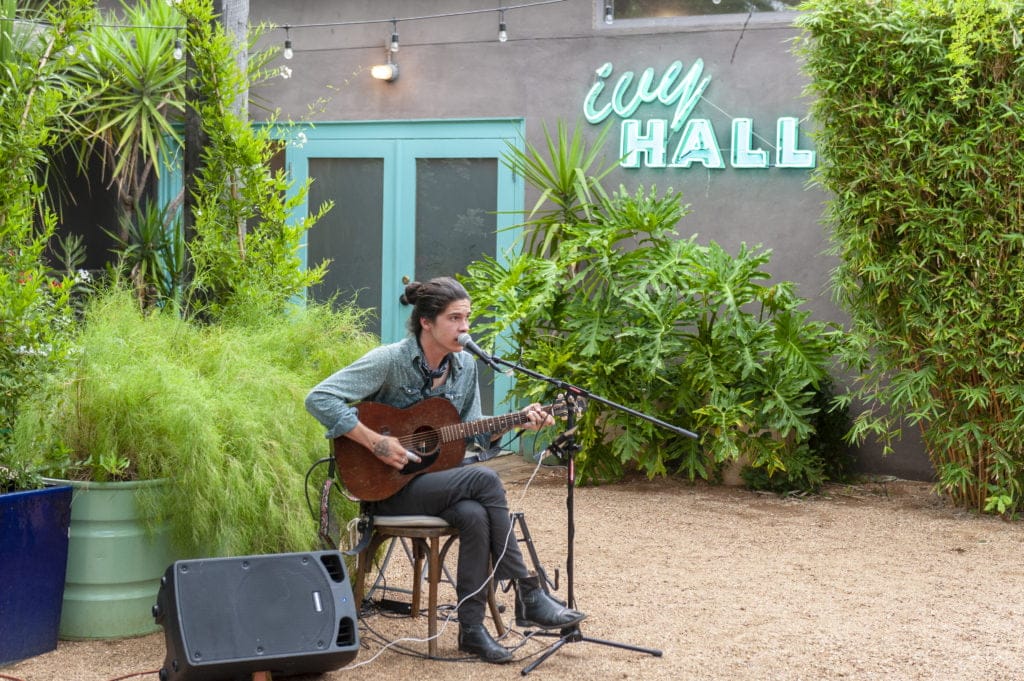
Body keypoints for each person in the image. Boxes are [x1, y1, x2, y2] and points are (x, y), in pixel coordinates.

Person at [305, 276, 585, 664]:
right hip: (387, 489)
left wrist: (517, 421)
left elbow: (473, 431)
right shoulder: (390, 360)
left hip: (437, 484)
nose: (464, 327)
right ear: (426, 321)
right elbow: (319, 398)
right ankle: (528, 592)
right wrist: (376, 443)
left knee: (474, 515)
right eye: (455, 318)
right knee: (486, 479)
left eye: (467, 318)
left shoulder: (464, 366)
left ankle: (471, 630)